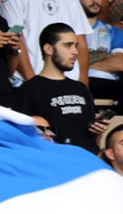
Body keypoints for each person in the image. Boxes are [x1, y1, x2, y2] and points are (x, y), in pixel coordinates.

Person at [13, 23, 104, 155]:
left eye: (75, 46)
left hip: (89, 162)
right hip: (54, 164)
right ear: (48, 49)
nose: (75, 52)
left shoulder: (81, 88)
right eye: (68, 45)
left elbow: (94, 139)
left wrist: (98, 131)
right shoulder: (29, 90)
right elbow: (19, 139)